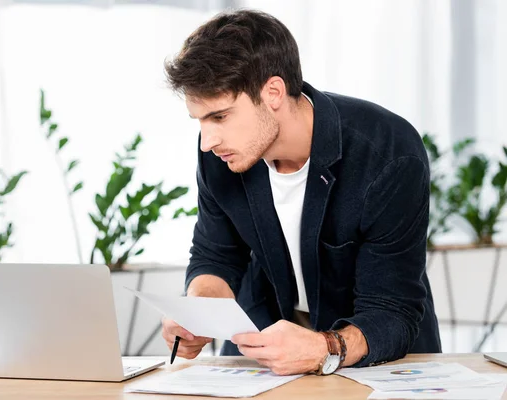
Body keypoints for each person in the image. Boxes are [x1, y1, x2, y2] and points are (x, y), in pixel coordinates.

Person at [160, 9, 441, 376]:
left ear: (273, 92)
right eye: (200, 121)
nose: (207, 141)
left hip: (374, 360)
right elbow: (216, 257)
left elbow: (392, 310)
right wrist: (199, 313)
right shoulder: (222, 154)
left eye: (219, 116)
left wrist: (325, 347)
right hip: (262, 358)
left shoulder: (386, 152)